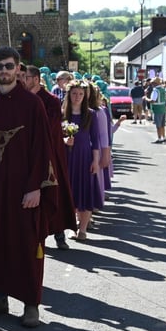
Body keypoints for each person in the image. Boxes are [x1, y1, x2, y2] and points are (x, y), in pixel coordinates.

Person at [0, 47, 53, 328]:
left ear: (17, 68)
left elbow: (42, 148)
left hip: (23, 188)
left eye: (8, 66)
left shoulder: (32, 104)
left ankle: (31, 304)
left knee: (25, 245)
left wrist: (35, 187)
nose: (3, 71)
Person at [23, 65, 76, 250]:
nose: (23, 81)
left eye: (26, 77)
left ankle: (59, 234)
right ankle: (33, 236)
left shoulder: (51, 101)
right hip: (28, 156)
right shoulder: (23, 99)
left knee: (54, 193)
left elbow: (49, 127)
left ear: (36, 79)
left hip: (50, 155)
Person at [62, 81, 102, 241]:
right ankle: (72, 226)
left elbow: (96, 140)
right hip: (67, 157)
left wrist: (96, 161)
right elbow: (54, 135)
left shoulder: (90, 114)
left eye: (80, 94)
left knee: (85, 191)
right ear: (68, 95)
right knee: (69, 192)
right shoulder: (62, 114)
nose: (77, 97)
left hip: (85, 157)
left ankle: (83, 228)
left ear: (85, 96)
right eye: (74, 93)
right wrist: (64, 140)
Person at [149, 79, 166, 143]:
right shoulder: (162, 89)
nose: (152, 84)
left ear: (155, 83)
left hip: (157, 109)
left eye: (152, 83)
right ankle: (164, 137)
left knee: (158, 125)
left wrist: (146, 99)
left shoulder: (155, 90)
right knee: (162, 125)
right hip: (163, 108)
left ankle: (159, 138)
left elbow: (153, 100)